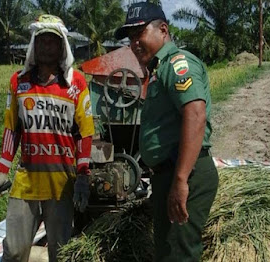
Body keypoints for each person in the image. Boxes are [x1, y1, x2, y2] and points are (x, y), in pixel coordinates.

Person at [115, 2, 219, 262]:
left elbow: (195, 114)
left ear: (163, 30)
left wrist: (181, 180)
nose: (134, 43)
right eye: (130, 38)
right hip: (169, 174)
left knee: (178, 254)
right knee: (166, 252)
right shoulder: (158, 71)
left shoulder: (177, 64)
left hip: (185, 173)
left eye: (139, 34)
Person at [0, 14, 94, 262]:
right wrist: (2, 171)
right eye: (42, 41)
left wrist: (83, 175)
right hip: (27, 181)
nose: (47, 46)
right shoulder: (19, 82)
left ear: (62, 46)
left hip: (61, 183)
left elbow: (85, 133)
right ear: (34, 45)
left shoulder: (75, 83)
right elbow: (12, 129)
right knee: (14, 250)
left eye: (53, 41)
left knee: (61, 252)